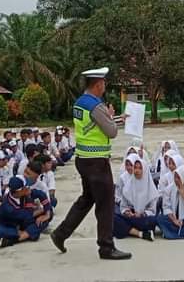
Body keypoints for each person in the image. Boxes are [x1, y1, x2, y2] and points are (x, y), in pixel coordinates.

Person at [50, 67, 132, 261]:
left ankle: (60, 234)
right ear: (97, 84)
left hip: (83, 159)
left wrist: (116, 118)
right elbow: (111, 131)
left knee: (87, 199)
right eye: (103, 83)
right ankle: (106, 247)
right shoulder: (96, 105)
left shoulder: (80, 103)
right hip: (97, 162)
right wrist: (112, 118)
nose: (104, 86)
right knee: (105, 204)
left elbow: (94, 126)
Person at [0, 176, 50, 248]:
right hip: (10, 225)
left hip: (24, 222)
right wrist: (41, 210)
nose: (26, 189)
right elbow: (27, 215)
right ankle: (28, 234)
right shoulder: (7, 206)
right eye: (23, 188)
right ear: (17, 192)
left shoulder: (25, 193)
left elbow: (41, 194)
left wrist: (47, 214)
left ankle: (12, 240)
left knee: (43, 221)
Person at [114, 154, 157, 241]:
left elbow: (152, 210)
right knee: (113, 217)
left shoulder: (151, 188)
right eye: (135, 168)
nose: (136, 171)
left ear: (144, 170)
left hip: (143, 218)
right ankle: (140, 233)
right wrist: (127, 212)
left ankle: (127, 229)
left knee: (152, 220)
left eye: (140, 168)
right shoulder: (128, 186)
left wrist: (142, 214)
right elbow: (123, 206)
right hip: (131, 217)